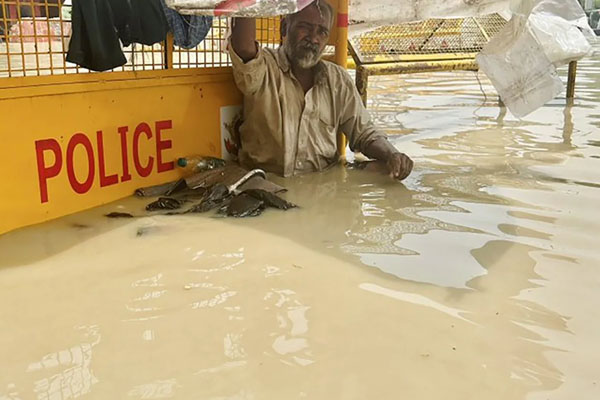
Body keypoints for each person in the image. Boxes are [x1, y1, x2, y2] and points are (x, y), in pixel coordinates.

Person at [229, 0, 413, 180]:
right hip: (265, 184)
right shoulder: (265, 68)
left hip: (323, 183)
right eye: (305, 27)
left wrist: (393, 155)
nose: (313, 38)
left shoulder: (338, 80)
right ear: (284, 27)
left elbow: (364, 133)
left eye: (322, 32)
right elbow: (243, 46)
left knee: (384, 170)